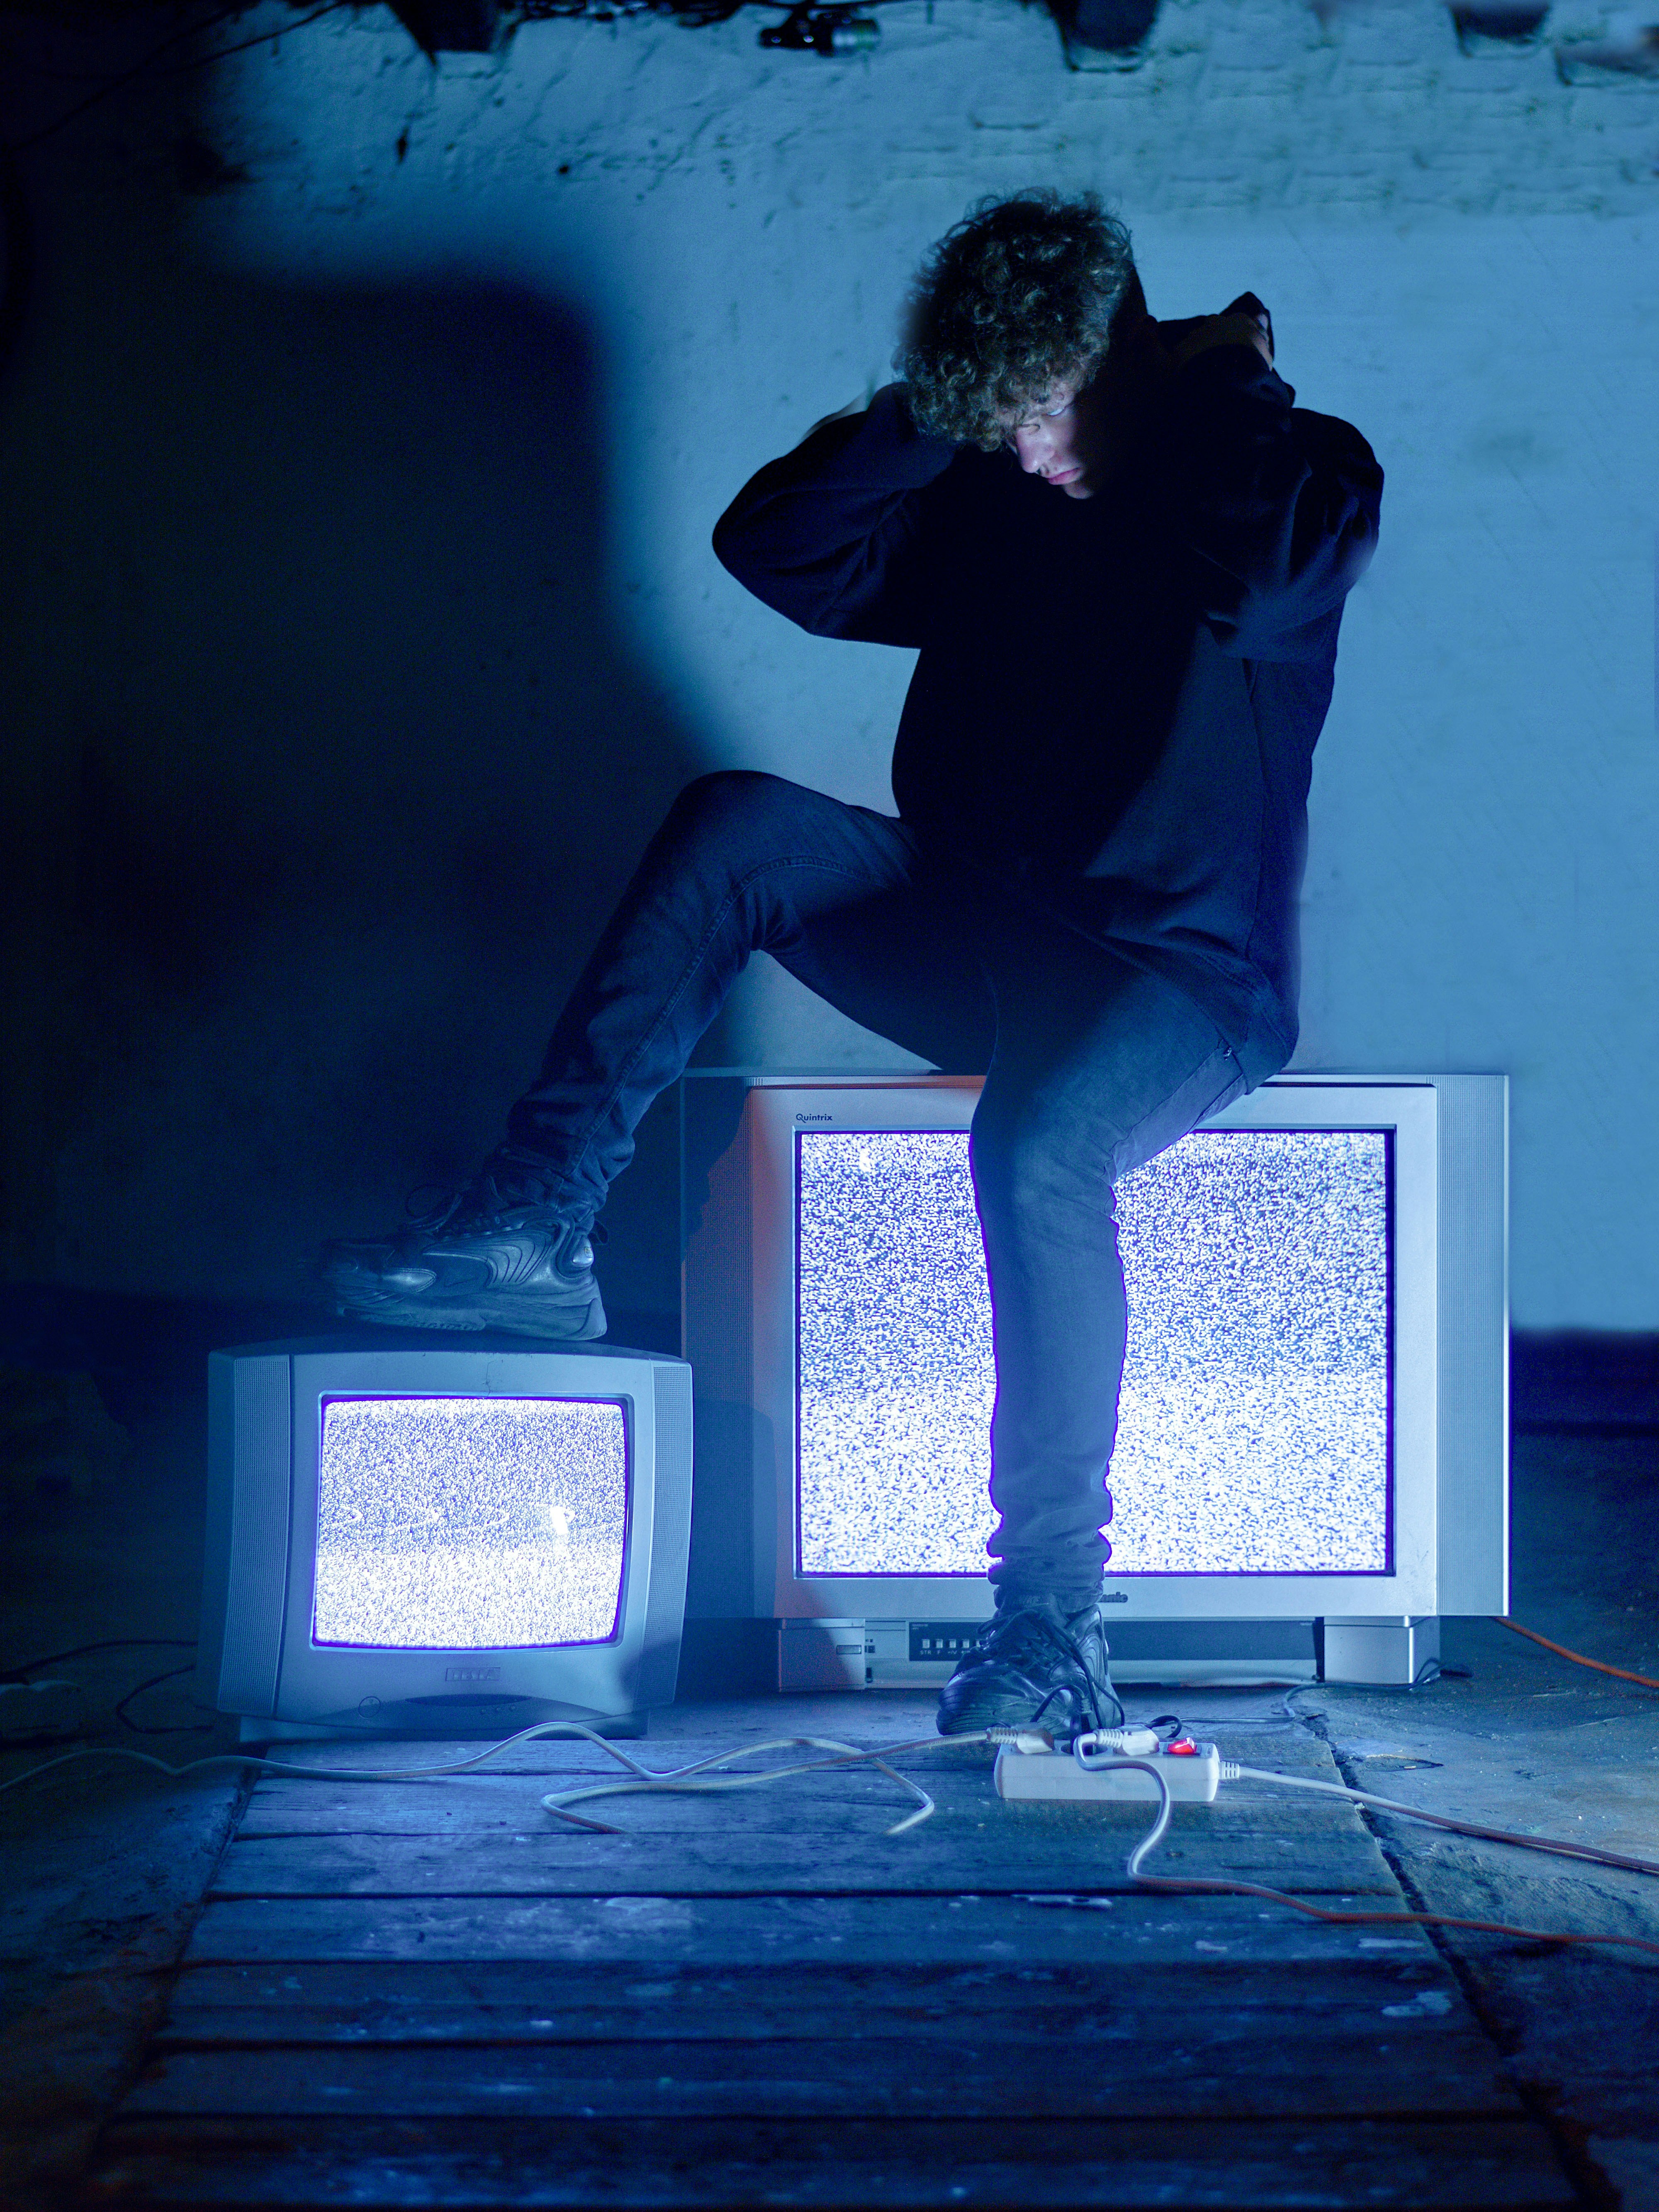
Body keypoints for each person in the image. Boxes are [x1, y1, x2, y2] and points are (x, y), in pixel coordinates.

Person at [321, 189, 1383, 1739]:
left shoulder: (1284, 473)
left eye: (1045, 408)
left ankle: (1050, 1633)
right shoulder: (999, 489)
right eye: (995, 418)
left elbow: (1272, 582)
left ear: (1134, 362)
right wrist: (940, 407)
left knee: (1036, 1150)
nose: (1022, 448)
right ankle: (536, 1226)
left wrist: (1208, 387)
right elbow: (781, 549)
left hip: (1174, 979)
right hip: (974, 929)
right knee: (736, 826)